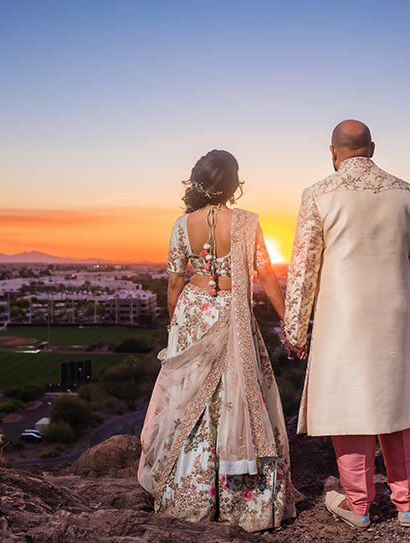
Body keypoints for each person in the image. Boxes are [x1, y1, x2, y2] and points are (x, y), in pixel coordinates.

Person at [138, 149, 298, 532]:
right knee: (238, 394)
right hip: (231, 312)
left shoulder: (181, 224)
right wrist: (289, 322)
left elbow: (175, 282)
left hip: (194, 313)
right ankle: (245, 500)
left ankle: (189, 493)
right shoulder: (246, 223)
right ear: (233, 185)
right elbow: (267, 277)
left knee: (190, 400)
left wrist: (175, 326)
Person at [283, 120, 410, 528]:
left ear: (333, 152)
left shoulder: (318, 193)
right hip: (395, 312)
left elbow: (303, 268)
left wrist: (295, 331)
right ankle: (406, 504)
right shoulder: (409, 193)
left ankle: (358, 506)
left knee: (350, 406)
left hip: (341, 314)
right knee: (396, 402)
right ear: (372, 148)